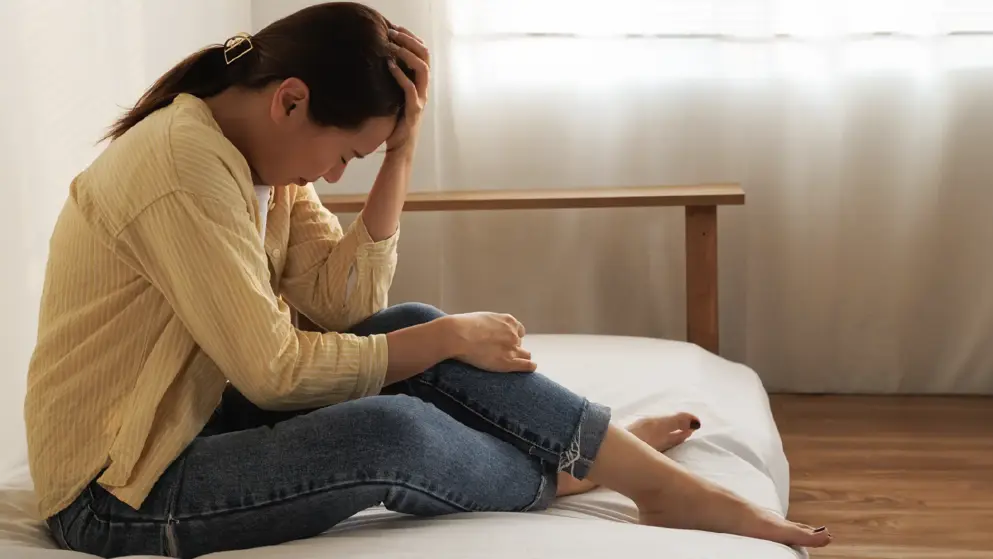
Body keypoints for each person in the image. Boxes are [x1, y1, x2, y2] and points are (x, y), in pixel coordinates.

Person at [23, 2, 832, 557]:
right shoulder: (184, 166)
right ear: (291, 101)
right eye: (347, 153)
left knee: (409, 323)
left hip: (191, 418)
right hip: (118, 487)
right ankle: (575, 468)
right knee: (392, 428)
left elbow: (345, 304)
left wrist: (403, 150)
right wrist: (443, 336)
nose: (338, 172)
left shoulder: (256, 159)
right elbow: (273, 373)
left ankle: (617, 467)